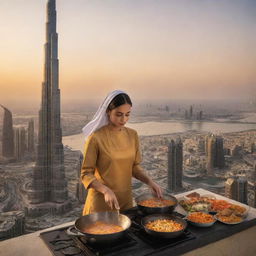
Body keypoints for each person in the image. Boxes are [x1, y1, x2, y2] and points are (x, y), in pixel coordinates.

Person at [81, 90, 163, 215]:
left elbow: (134, 167)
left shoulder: (132, 135)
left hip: (125, 201)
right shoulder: (96, 138)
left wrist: (149, 182)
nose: (123, 119)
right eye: (119, 114)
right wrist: (105, 190)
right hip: (101, 203)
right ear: (108, 111)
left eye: (127, 114)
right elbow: (86, 174)